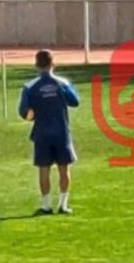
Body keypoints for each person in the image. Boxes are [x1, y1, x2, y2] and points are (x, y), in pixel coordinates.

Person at [18, 49, 80, 215]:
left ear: (36, 65)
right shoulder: (62, 83)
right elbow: (75, 101)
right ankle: (63, 205)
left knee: (43, 169)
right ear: (53, 64)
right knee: (63, 168)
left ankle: (46, 206)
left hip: (41, 133)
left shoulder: (30, 87)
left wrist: (34, 113)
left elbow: (25, 112)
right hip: (61, 132)